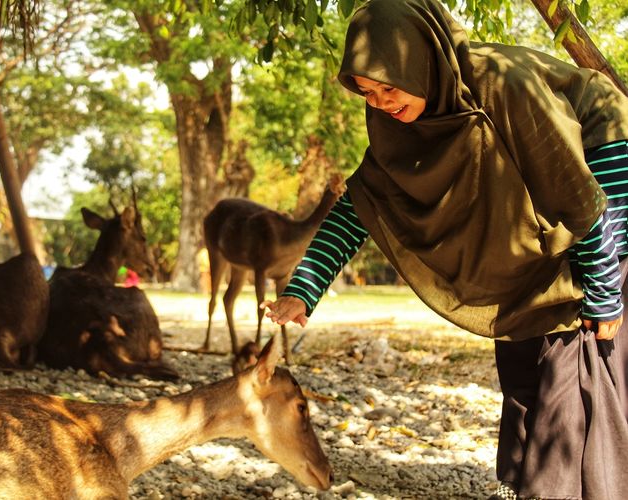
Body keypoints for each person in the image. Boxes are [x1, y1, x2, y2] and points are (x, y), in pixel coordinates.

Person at [260, 0, 628, 498]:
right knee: (521, 357)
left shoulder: (505, 86)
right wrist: (303, 291)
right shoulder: (396, 125)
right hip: (534, 228)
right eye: (367, 92)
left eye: (389, 86)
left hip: (600, 164)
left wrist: (606, 292)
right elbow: (361, 206)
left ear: (422, 61)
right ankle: (522, 485)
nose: (381, 102)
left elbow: (581, 196)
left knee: (576, 360)